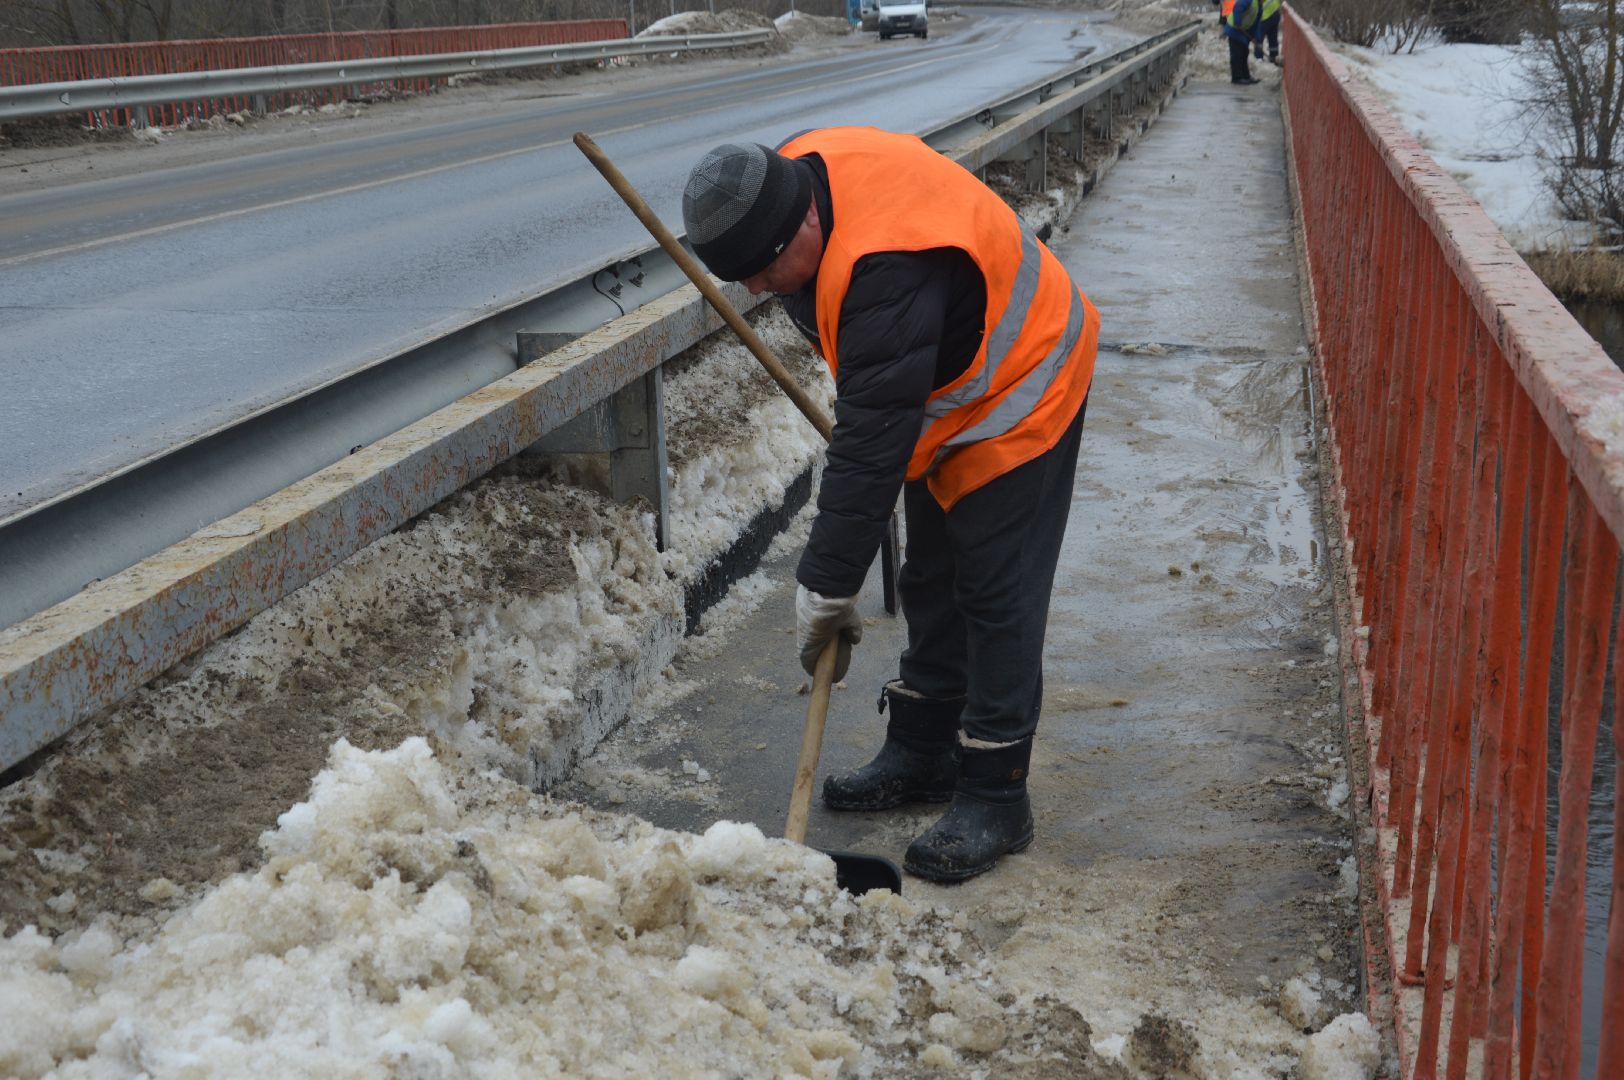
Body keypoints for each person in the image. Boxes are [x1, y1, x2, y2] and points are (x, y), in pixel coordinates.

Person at [680, 129, 1099, 882]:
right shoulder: (794, 171)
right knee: (932, 572)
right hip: (943, 387)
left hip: (1025, 381)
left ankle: (997, 796)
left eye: (766, 271)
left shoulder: (886, 268)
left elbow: (871, 442)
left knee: (996, 590)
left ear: (800, 225)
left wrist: (826, 584)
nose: (759, 291)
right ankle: (925, 747)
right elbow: (880, 415)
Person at [1222, 0, 1265, 85]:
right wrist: (1238, 22)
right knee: (1237, 54)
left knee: (1244, 53)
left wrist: (1256, 39)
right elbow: (1237, 7)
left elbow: (1256, 25)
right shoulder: (1249, 0)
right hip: (1234, 28)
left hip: (1243, 32)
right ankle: (1236, 78)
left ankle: (1246, 76)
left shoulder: (1259, 7)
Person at [1258, 0, 1282, 65]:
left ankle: (1258, 57)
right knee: (1273, 37)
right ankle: (1274, 56)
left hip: (1265, 16)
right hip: (1275, 13)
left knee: (1258, 38)